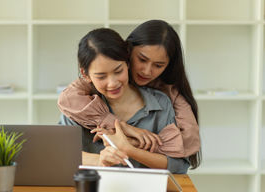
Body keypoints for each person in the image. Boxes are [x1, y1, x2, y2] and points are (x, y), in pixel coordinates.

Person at [58, 20, 201, 169]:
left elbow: (180, 162)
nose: (146, 71)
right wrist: (101, 158)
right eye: (142, 59)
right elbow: (58, 152)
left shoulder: (164, 100)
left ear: (125, 62)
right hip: (93, 189)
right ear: (129, 54)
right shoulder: (81, 103)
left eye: (158, 65)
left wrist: (129, 148)